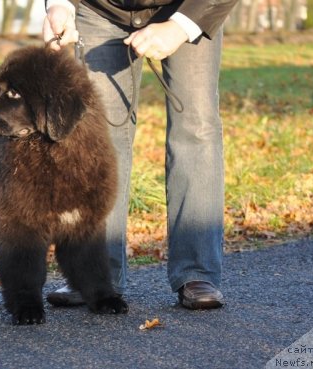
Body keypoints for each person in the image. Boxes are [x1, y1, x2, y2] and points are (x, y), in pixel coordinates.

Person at [42, 0, 238, 309]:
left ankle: (198, 271)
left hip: (188, 6)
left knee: (197, 128)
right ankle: (97, 273)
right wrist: (60, 5)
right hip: (100, 9)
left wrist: (180, 26)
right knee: (99, 133)